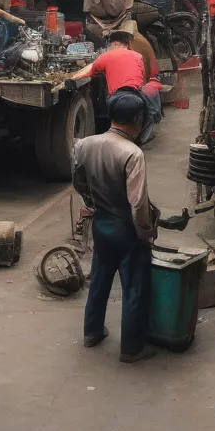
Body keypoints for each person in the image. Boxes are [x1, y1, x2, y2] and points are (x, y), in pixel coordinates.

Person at [72, 90, 159, 363]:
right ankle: (132, 348)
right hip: (126, 228)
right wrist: (145, 234)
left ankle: (92, 331)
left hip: (102, 223)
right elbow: (137, 203)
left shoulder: (85, 144)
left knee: (99, 278)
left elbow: (79, 181)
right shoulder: (132, 153)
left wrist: (93, 201)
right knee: (135, 287)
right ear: (137, 118)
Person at [69, 29, 164, 144]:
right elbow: (142, 79)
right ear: (127, 44)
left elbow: (90, 70)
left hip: (115, 98)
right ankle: (141, 139)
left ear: (112, 44)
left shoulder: (106, 56)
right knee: (148, 113)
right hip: (135, 95)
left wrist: (72, 77)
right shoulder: (137, 56)